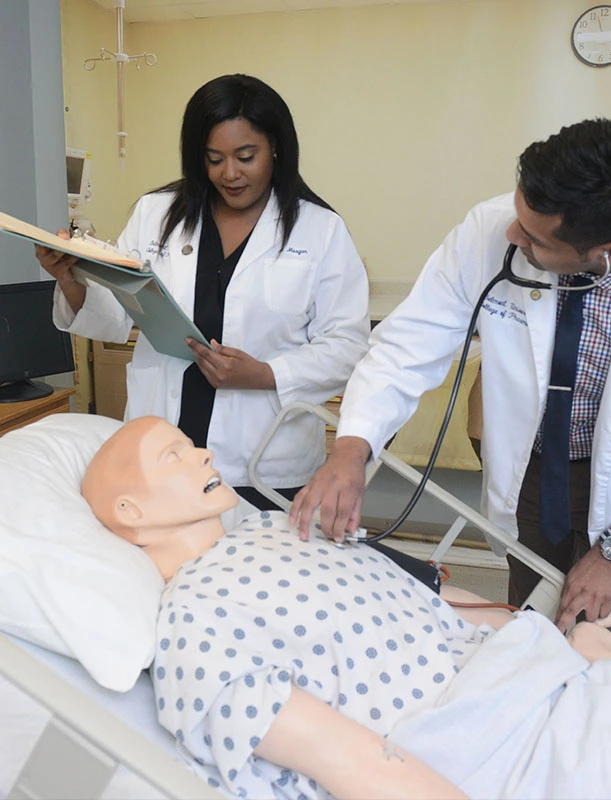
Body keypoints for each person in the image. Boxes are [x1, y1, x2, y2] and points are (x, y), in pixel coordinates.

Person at [81, 415, 611, 800]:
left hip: (566, 685)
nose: (205, 454)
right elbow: (355, 766)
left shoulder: (280, 528)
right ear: (127, 509)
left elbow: (432, 607)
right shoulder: (195, 628)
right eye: (174, 456)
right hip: (553, 755)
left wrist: (554, 640)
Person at [290, 118, 611, 635]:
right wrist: (352, 446)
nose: (510, 234)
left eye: (534, 238)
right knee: (527, 624)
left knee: (606, 637)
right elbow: (408, 345)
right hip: (532, 470)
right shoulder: (488, 229)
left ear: (608, 255)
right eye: (518, 213)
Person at [36, 73, 370, 510]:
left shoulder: (321, 230)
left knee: (254, 574)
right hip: (159, 452)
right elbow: (115, 316)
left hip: (263, 466)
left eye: (245, 156)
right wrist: (69, 276)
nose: (229, 174)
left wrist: (266, 375)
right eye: (214, 159)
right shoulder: (155, 214)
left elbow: (348, 346)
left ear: (276, 148)